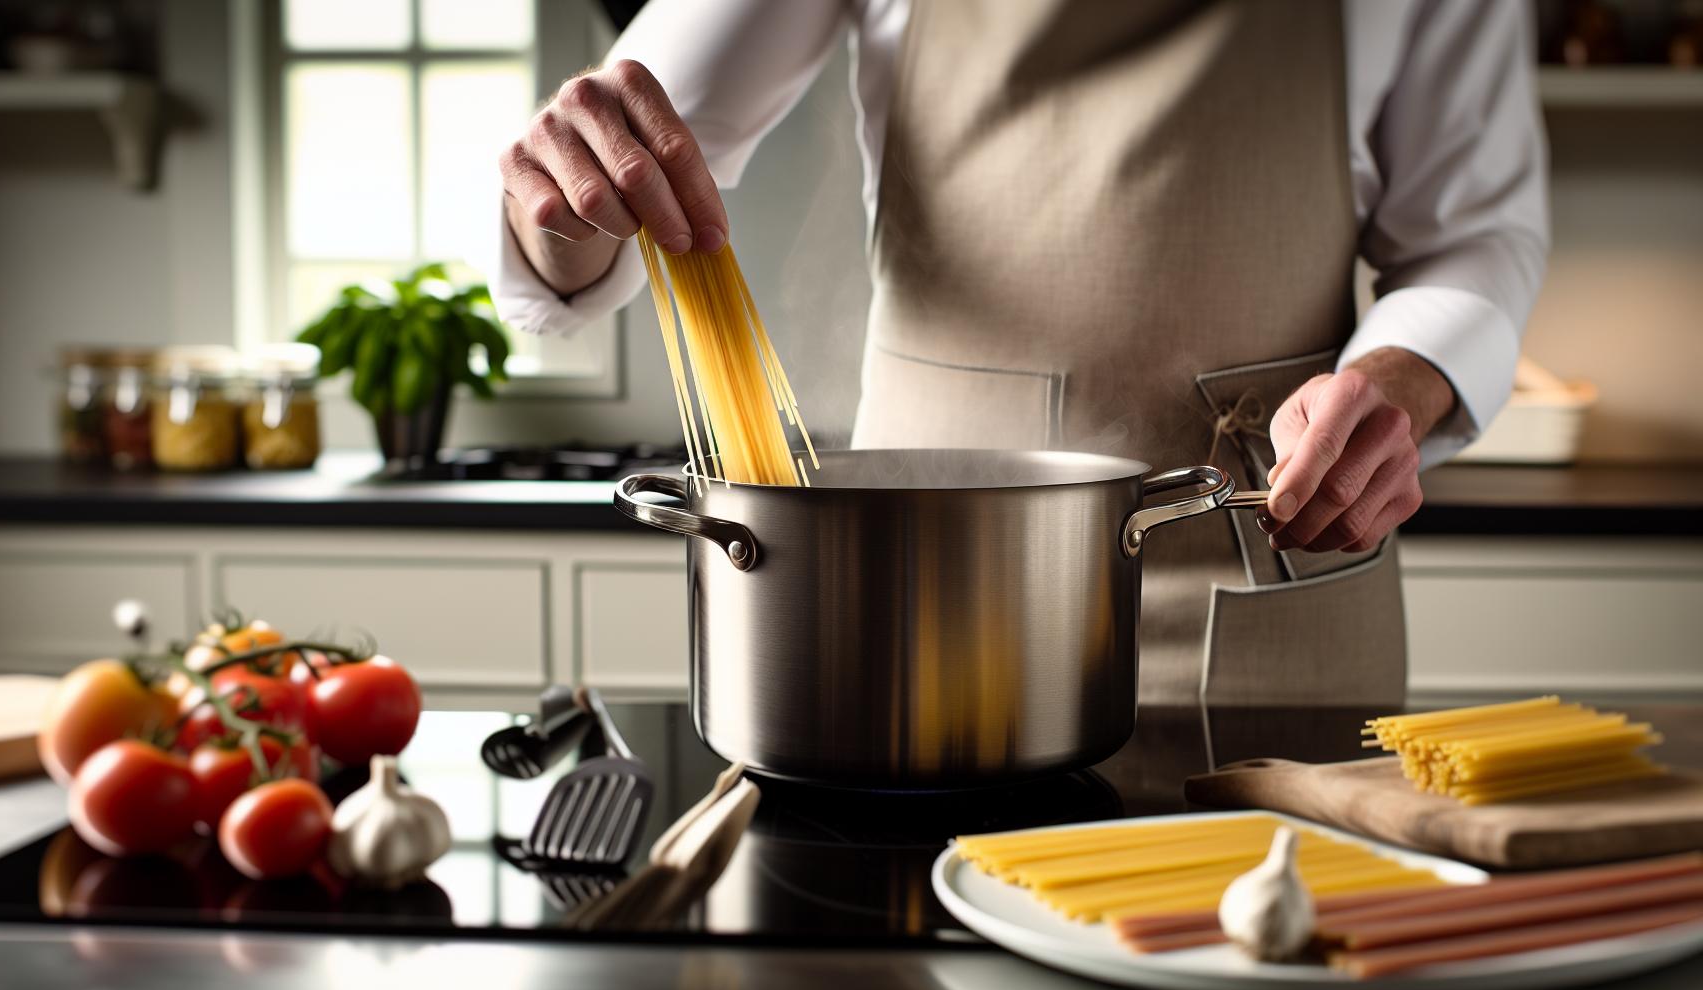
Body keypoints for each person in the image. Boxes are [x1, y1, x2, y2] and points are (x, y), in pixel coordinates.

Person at [488, 0, 1548, 706]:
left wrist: (1393, 389)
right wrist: (565, 192)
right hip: (924, 588)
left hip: (1279, 571)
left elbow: (1475, 235)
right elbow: (613, 194)